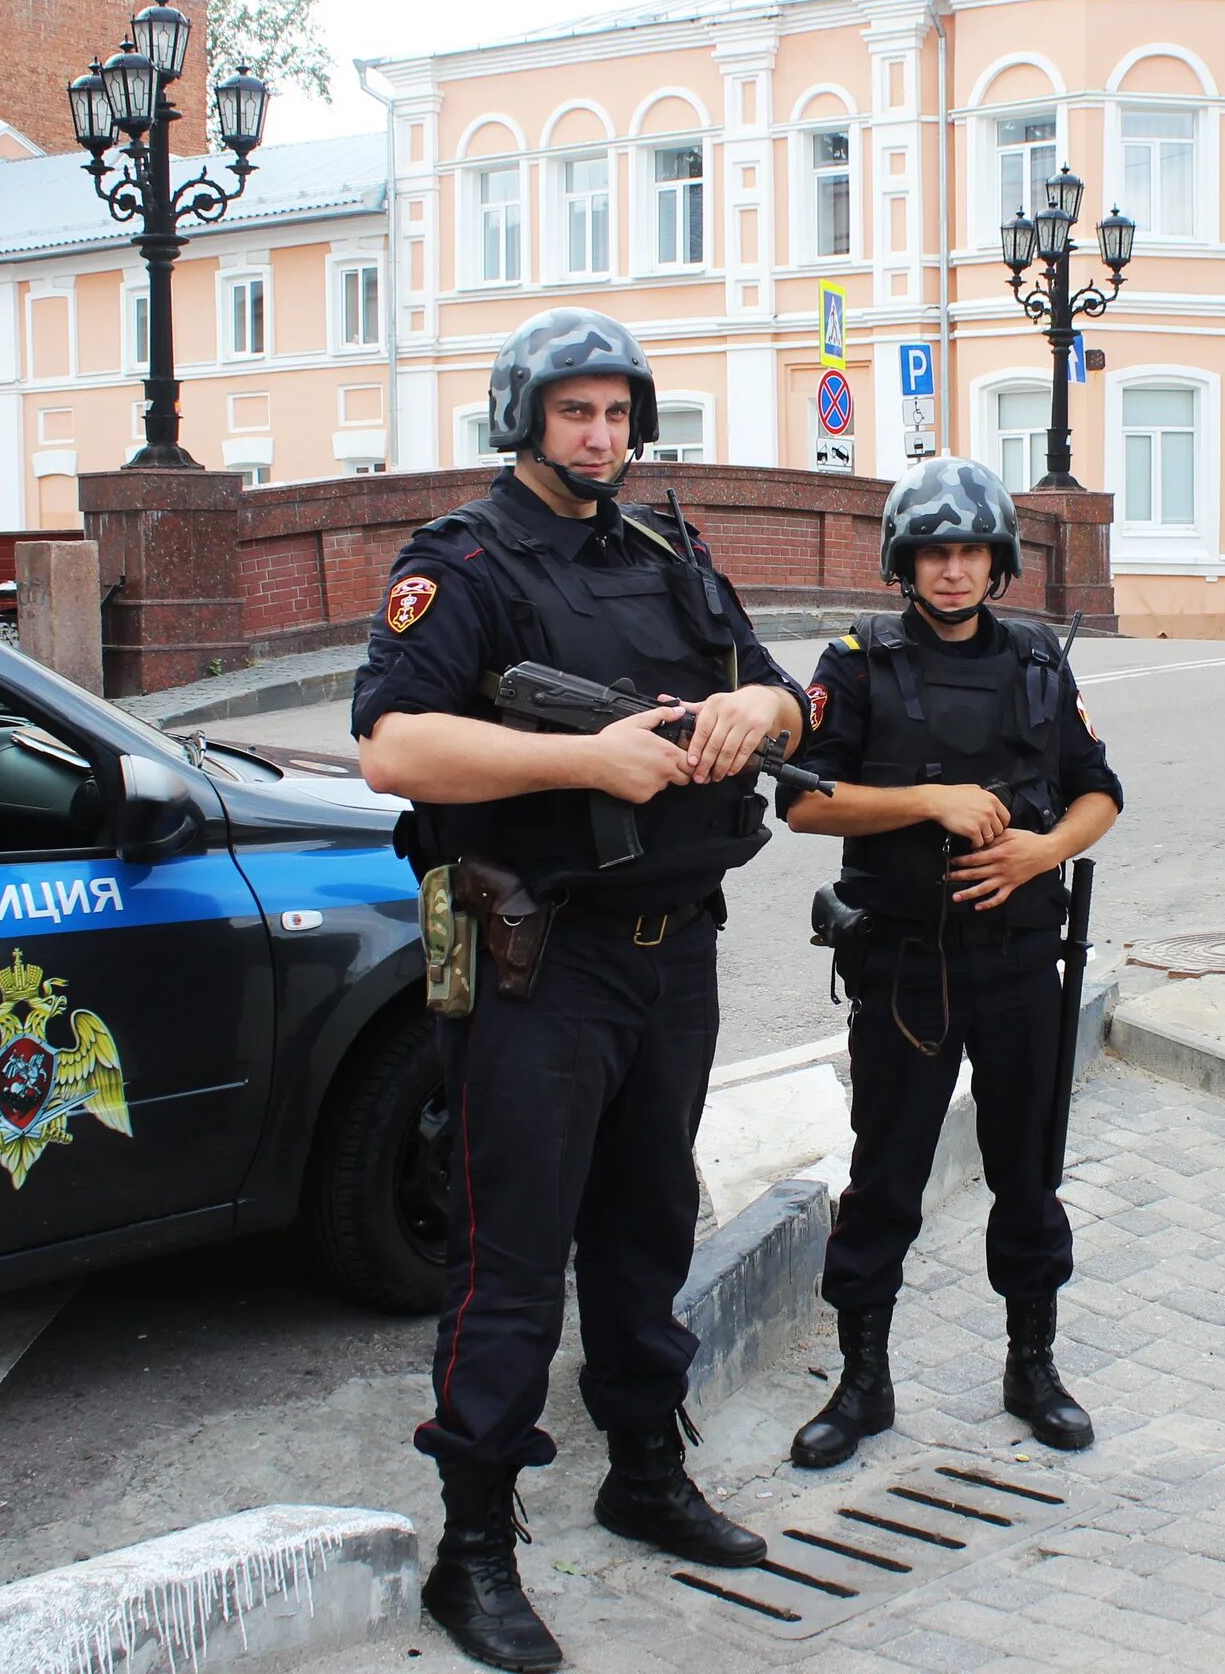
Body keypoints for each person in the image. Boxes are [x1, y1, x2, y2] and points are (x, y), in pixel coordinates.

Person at [353, 308, 807, 1674]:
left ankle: (643, 1471)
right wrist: (587, 764)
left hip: (679, 950)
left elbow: (785, 695)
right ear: (525, 418)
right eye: (576, 414)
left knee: (646, 1228)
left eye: (618, 414)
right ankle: (472, 1550)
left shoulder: (668, 550)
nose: (602, 437)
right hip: (537, 962)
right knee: (511, 1260)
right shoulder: (463, 565)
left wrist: (760, 718)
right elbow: (392, 748)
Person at [777, 456, 1122, 1471]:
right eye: (936, 551)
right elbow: (802, 800)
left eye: (972, 550)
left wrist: (1042, 848)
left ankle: (1033, 1363)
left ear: (998, 561)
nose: (955, 569)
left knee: (1028, 1174)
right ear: (906, 562)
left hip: (1019, 965)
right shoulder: (858, 662)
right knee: (884, 1178)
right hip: (906, 969)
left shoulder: (1038, 664)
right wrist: (929, 800)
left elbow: (1100, 790)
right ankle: (863, 1380)